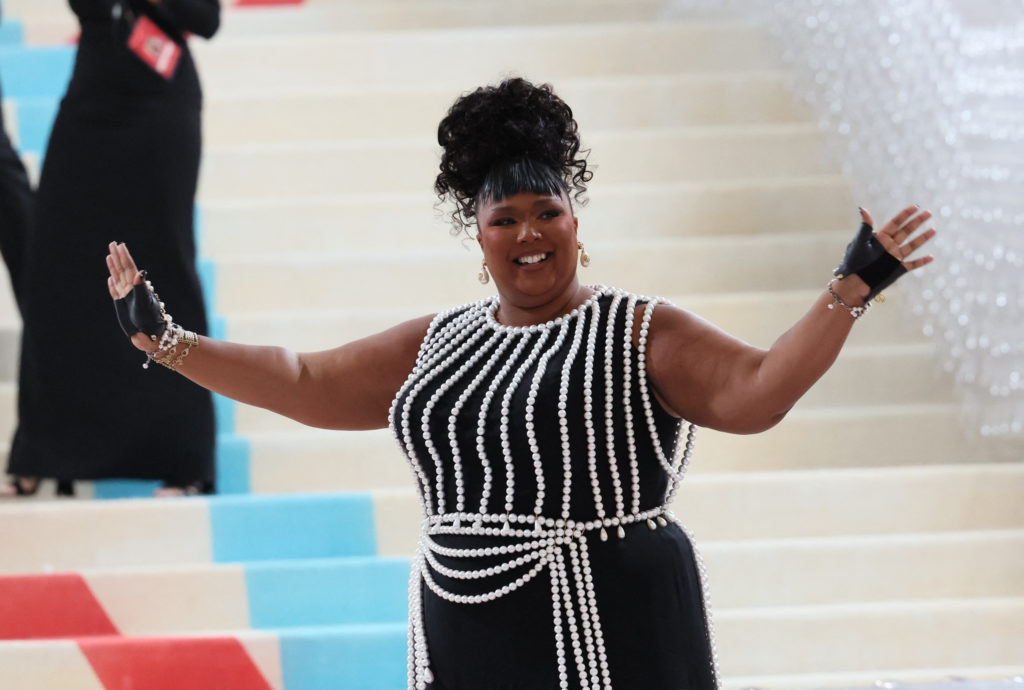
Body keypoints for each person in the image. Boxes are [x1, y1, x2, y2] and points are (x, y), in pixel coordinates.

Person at [105, 78, 935, 689]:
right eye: (506, 219)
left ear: (577, 221)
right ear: (479, 234)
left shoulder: (638, 329)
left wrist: (847, 292)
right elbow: (306, 378)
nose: (529, 233)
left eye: (548, 212)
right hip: (467, 637)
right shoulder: (439, 342)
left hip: (611, 624)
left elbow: (758, 393)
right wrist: (168, 341)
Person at [3, 0, 220, 498]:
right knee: (54, 269)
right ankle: (42, 453)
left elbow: (205, 20)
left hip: (161, 102)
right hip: (91, 96)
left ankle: (186, 461)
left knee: (165, 266)